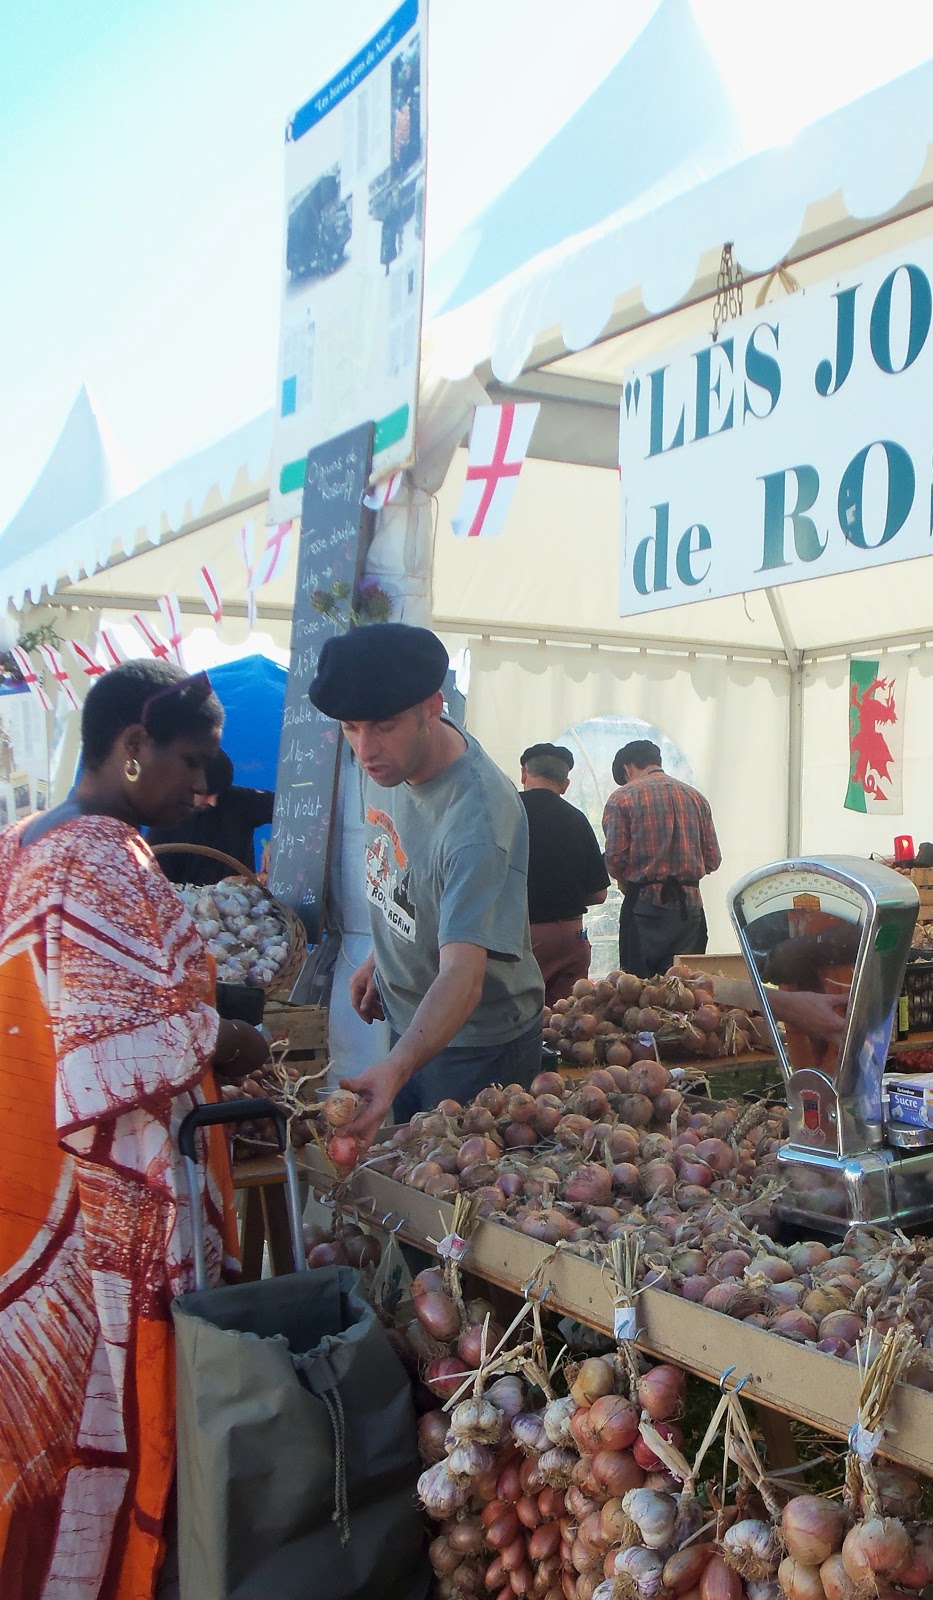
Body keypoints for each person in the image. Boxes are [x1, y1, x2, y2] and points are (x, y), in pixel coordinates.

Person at [0, 660, 269, 1600]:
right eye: (192, 763)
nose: (202, 790)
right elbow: (121, 1043)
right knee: (93, 1406)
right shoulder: (105, 856)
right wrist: (227, 1033)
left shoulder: (23, 841)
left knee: (28, 1416)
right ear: (129, 749)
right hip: (94, 1200)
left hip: (25, 1181)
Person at [307, 622, 544, 1152]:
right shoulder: (388, 762)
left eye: (383, 726)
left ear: (433, 706)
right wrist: (384, 959)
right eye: (350, 727)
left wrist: (393, 1066)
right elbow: (406, 875)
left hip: (477, 1046)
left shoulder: (476, 820)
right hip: (412, 1021)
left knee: (456, 1208)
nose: (365, 749)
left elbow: (464, 975)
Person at [603, 739, 721, 978]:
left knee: (640, 993)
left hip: (644, 908)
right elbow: (712, 859)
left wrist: (624, 878)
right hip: (689, 909)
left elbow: (615, 858)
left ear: (627, 769)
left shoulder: (622, 798)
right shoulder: (696, 798)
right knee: (686, 989)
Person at [518, 741, 609, 1004]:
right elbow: (600, 894)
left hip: (525, 936)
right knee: (566, 1024)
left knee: (522, 1018)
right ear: (565, 785)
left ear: (524, 773)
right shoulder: (578, 819)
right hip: (573, 937)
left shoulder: (508, 811)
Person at [148, 747, 274, 883]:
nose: (213, 802)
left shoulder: (238, 800)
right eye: (206, 794)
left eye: (218, 793)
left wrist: (275, 842)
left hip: (244, 899)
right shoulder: (163, 821)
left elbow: (291, 808)